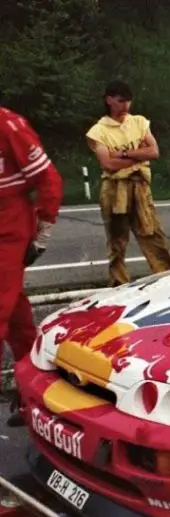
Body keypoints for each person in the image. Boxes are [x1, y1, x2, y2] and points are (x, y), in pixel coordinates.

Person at [0, 106, 63, 426]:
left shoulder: (9, 126)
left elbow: (49, 179)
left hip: (8, 229)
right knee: (17, 321)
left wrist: (43, 231)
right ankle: (33, 398)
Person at [85, 80, 170, 287]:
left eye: (128, 101)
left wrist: (124, 153)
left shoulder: (139, 122)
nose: (125, 106)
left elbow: (154, 151)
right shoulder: (98, 131)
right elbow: (107, 163)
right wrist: (139, 156)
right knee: (117, 240)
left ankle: (169, 279)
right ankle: (119, 283)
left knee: (152, 233)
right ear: (109, 100)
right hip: (115, 189)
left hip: (140, 186)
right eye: (120, 101)